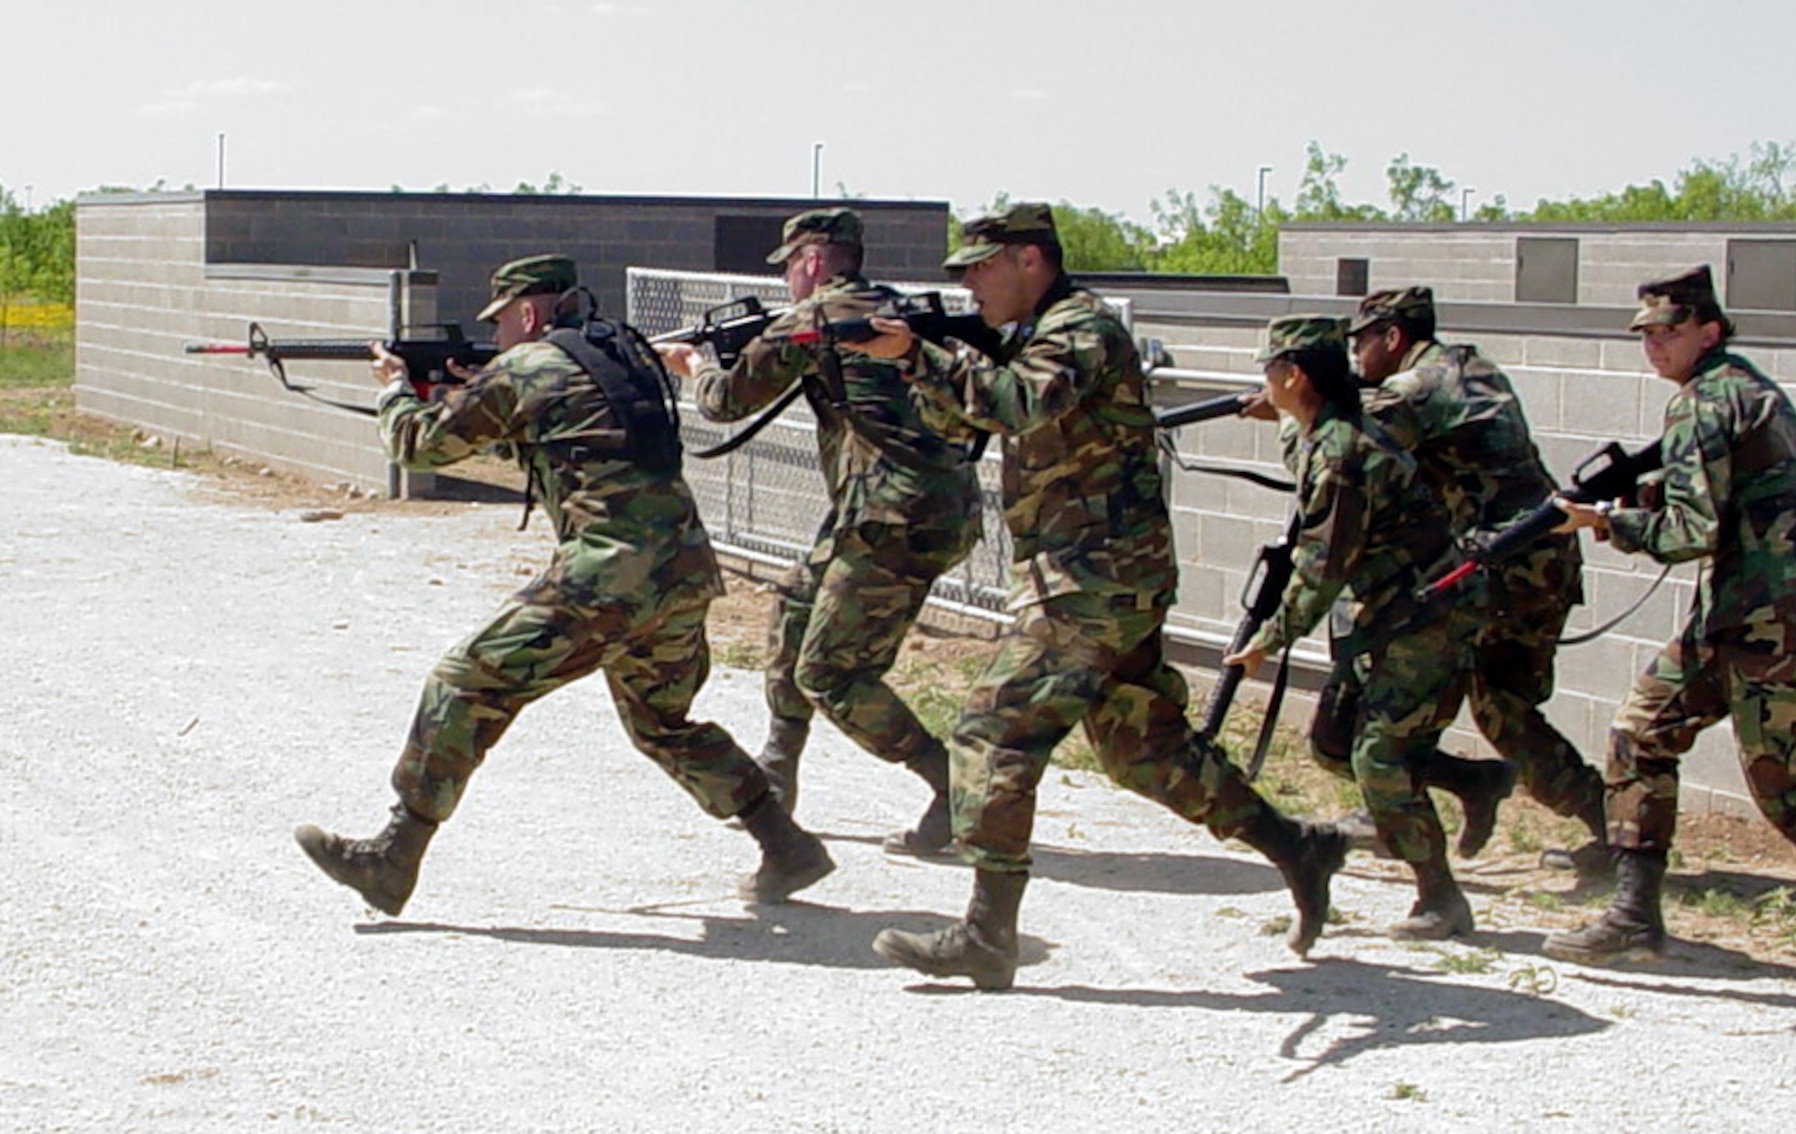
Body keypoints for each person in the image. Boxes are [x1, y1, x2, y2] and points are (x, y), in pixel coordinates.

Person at [855, 203, 1348, 990]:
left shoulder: (1081, 329)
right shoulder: (1031, 337)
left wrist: (920, 353)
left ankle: (987, 935)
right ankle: (1299, 847)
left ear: (1029, 260)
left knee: (992, 729)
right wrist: (917, 363)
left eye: (981, 268)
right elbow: (965, 423)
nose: (970, 285)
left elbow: (1018, 403)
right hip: (1094, 574)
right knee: (1143, 749)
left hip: (1094, 576)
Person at [294, 254, 833, 916]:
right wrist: (483, 394)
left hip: (609, 573)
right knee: (663, 723)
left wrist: (395, 389)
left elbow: (416, 445)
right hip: (683, 568)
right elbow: (570, 439)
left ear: (528, 313)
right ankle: (786, 845)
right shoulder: (621, 354)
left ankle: (392, 857)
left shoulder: (526, 365)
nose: (495, 336)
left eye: (500, 323)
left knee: (464, 682)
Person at [1541, 265, 1796, 1002]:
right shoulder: (1751, 390)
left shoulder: (1702, 404)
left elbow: (1691, 532)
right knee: (1640, 735)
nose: (1654, 346)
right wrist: (1646, 494)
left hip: (1771, 619)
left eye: (1669, 331)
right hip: (1742, 612)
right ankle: (1634, 914)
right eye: (1646, 335)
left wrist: (1605, 522)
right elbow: (1739, 496)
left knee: (1784, 783)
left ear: (1709, 331)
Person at [656, 208, 982, 856]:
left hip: (892, 517)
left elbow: (726, 402)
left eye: (790, 268)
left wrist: (694, 367)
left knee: (833, 674)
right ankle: (778, 775)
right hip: (913, 508)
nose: (788, 282)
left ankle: (953, 787)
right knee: (795, 606)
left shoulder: (813, 318)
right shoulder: (893, 307)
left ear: (811, 260)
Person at [1225, 314, 1481, 941]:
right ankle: (1459, 789)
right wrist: (1279, 416)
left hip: (1427, 618)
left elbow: (1322, 568)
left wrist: (1267, 640)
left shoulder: (1343, 454)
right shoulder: (1328, 432)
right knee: (1334, 742)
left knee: (1379, 756)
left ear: (1294, 376)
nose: (1265, 382)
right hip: (1389, 615)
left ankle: (1440, 896)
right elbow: (1304, 455)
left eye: (1270, 371)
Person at [1342, 286, 1609, 872]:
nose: (1355, 353)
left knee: (1416, 682)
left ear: (1393, 337)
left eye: (1361, 340)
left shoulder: (1415, 387)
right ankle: (1609, 826)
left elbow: (1348, 449)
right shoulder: (1469, 366)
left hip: (1504, 567)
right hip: (1541, 559)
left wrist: (1294, 405)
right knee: (1501, 706)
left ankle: (1389, 807)